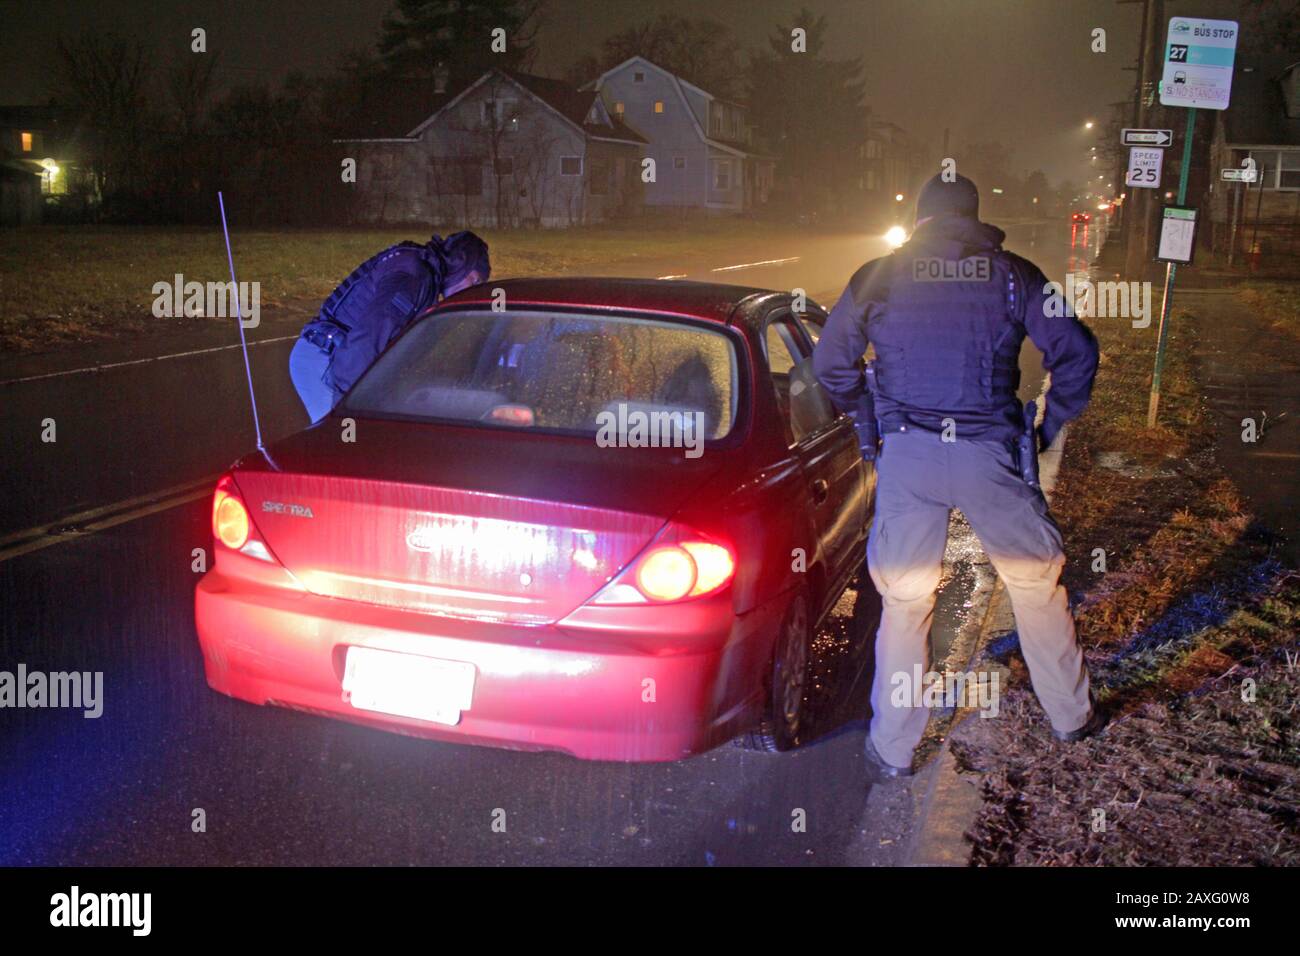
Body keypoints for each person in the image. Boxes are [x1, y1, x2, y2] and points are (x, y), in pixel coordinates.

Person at [813, 172, 1103, 779]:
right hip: (991, 455)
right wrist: (1047, 427)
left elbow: (832, 362)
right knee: (1034, 582)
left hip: (909, 456)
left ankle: (894, 749)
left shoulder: (879, 275)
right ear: (974, 218)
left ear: (919, 220)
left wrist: (871, 419)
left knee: (906, 600)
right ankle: (1072, 717)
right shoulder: (1014, 274)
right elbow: (1075, 351)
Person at [290, 230, 490, 423]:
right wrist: (346, 406)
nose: (472, 289)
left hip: (338, 357)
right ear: (462, 264)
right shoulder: (414, 276)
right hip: (329, 362)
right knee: (345, 444)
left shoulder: (424, 270)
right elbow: (367, 340)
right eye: (475, 280)